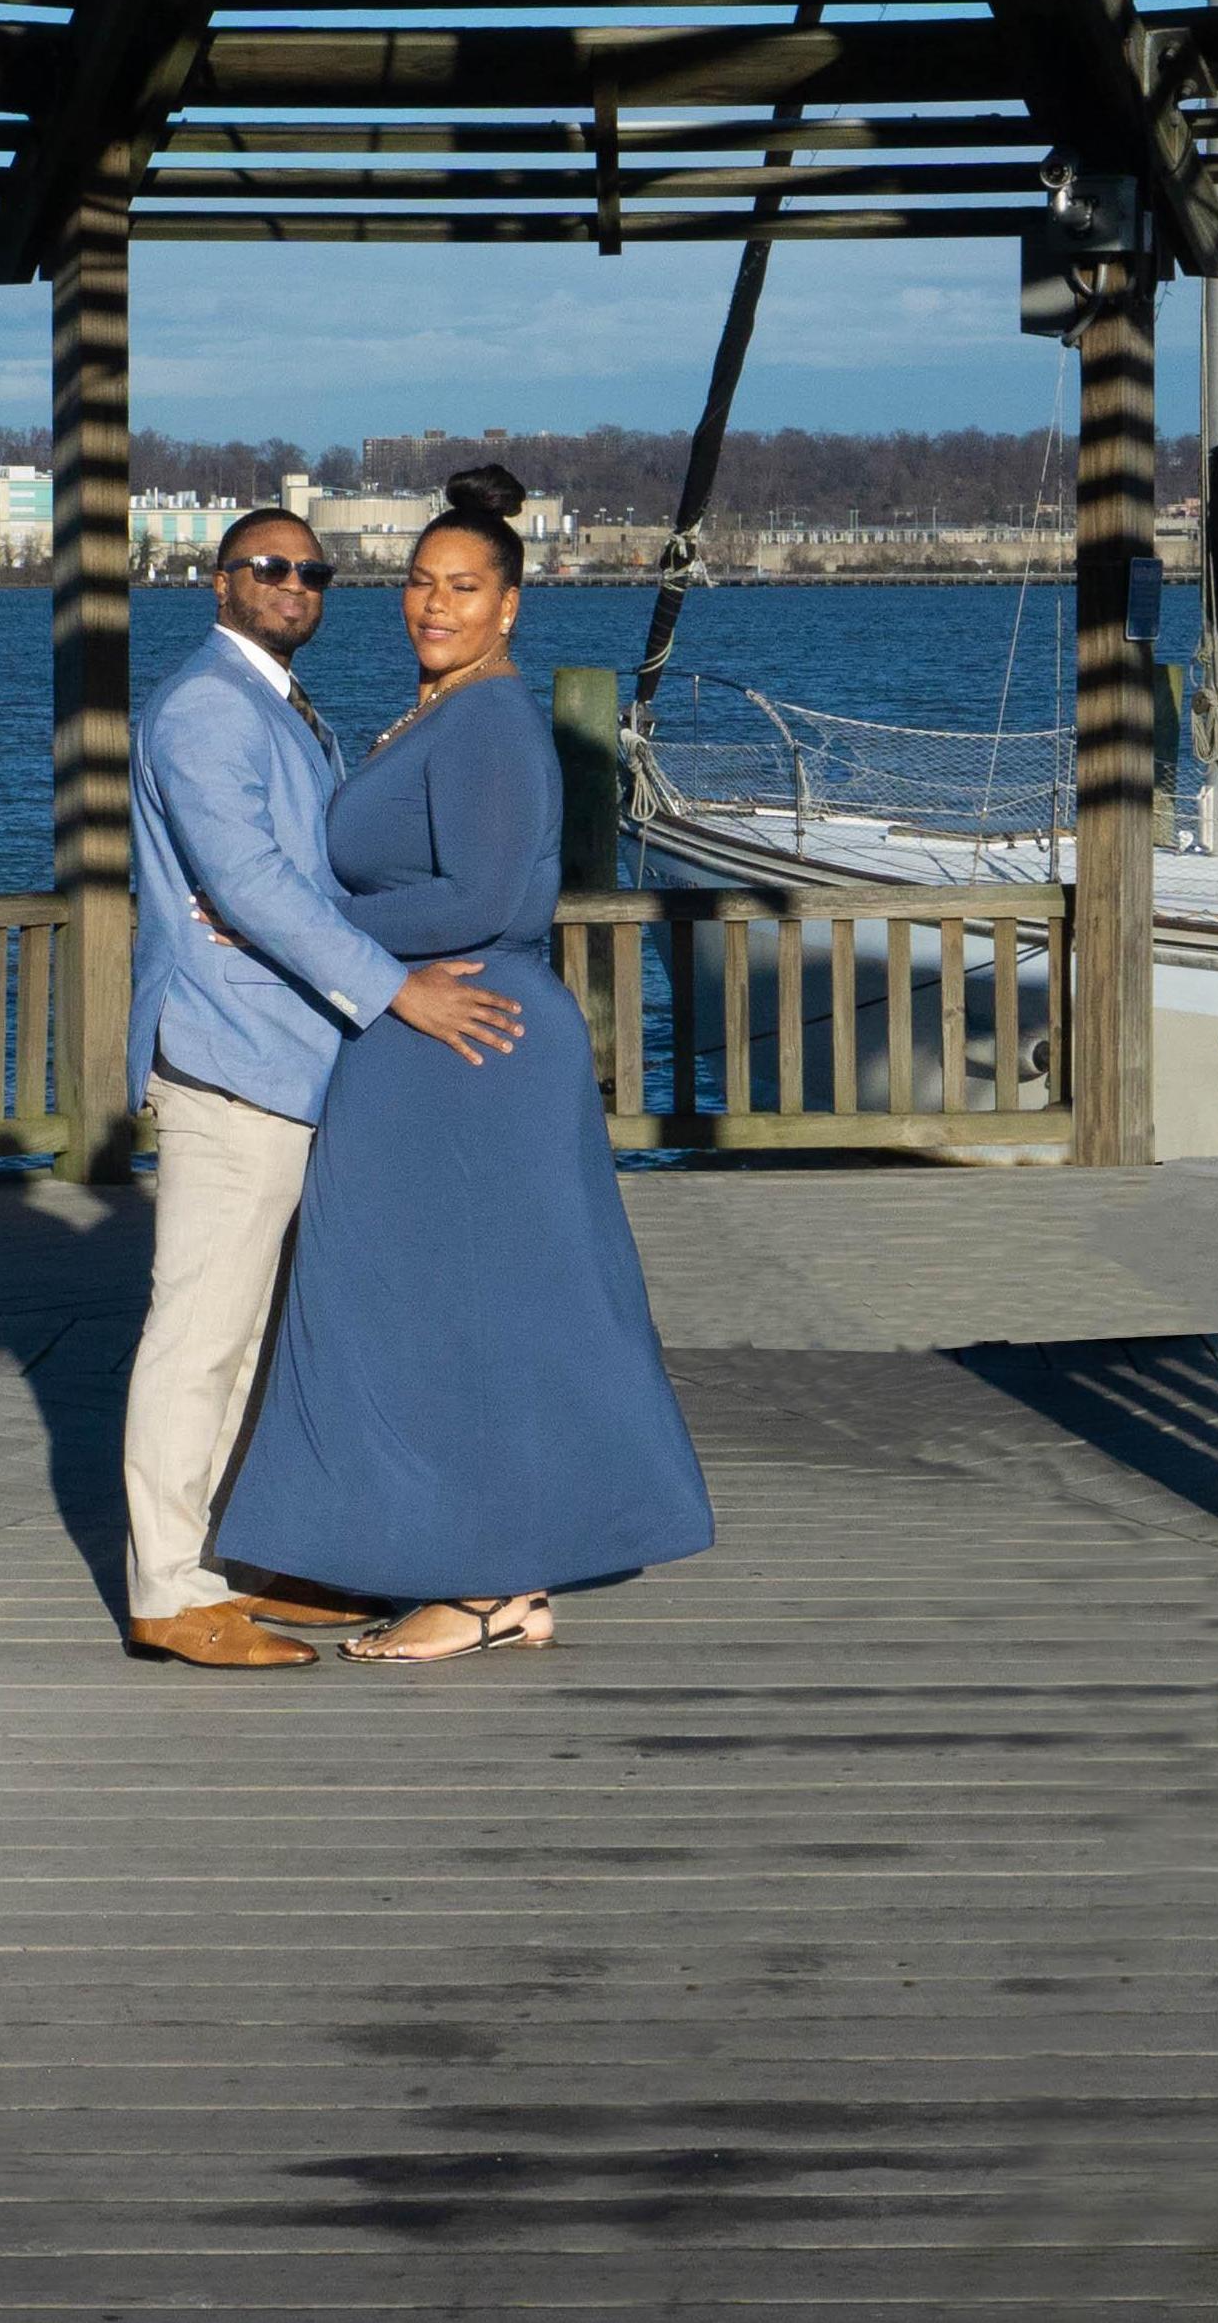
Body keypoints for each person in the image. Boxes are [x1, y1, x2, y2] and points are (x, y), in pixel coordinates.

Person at [217, 466, 714, 1661]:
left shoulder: (490, 718)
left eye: (463, 587)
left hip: (472, 1044)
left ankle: (488, 1585)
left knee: (477, 1314)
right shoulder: (440, 710)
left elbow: (493, 895)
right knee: (421, 1312)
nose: (433, 605)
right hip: (429, 1040)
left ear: (509, 606)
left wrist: (295, 926)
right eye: (418, 583)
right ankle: (436, 1559)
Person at [117, 504, 528, 1669]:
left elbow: (306, 880)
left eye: (311, 569)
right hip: (233, 1058)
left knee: (269, 1335)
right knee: (200, 1334)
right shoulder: (205, 705)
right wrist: (397, 988)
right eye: (266, 566)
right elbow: (247, 881)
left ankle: (245, 1556)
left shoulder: (287, 708)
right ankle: (168, 1584)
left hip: (300, 1059)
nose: (292, 581)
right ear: (217, 581)